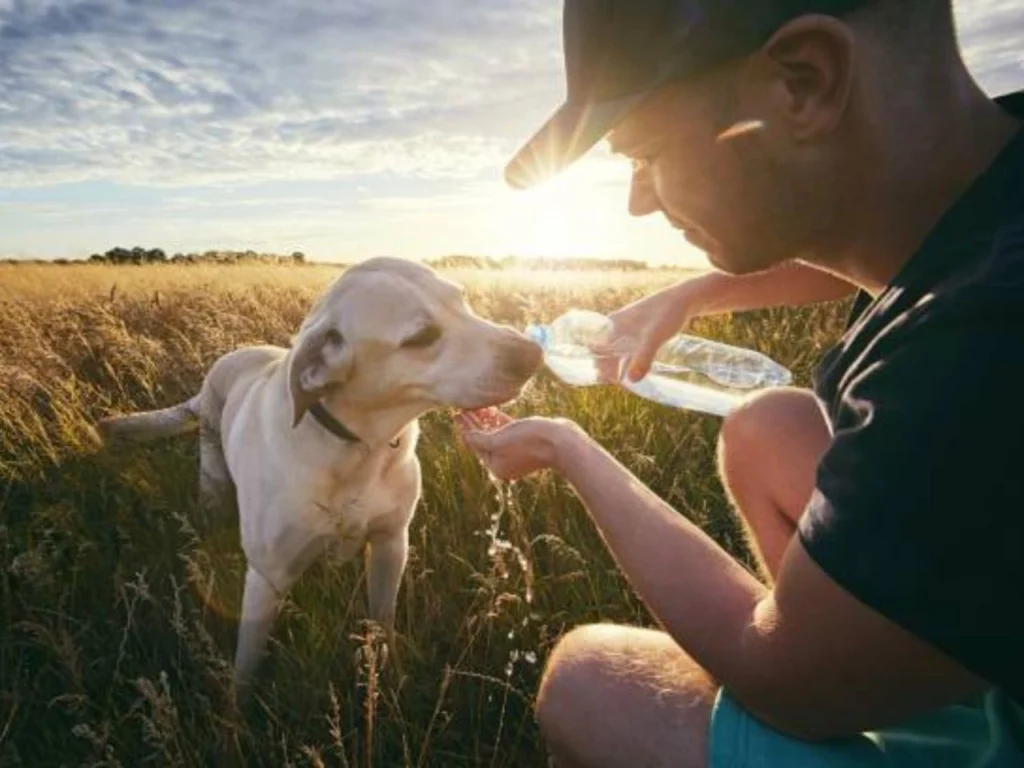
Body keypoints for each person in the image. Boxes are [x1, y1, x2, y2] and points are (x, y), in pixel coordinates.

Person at [454, 1, 1024, 766]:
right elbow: (890, 235)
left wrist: (570, 450)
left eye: (643, 154)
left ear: (802, 82)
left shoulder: (982, 345)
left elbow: (786, 682)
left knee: (587, 680)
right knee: (766, 427)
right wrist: (695, 293)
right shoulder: (984, 183)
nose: (638, 200)